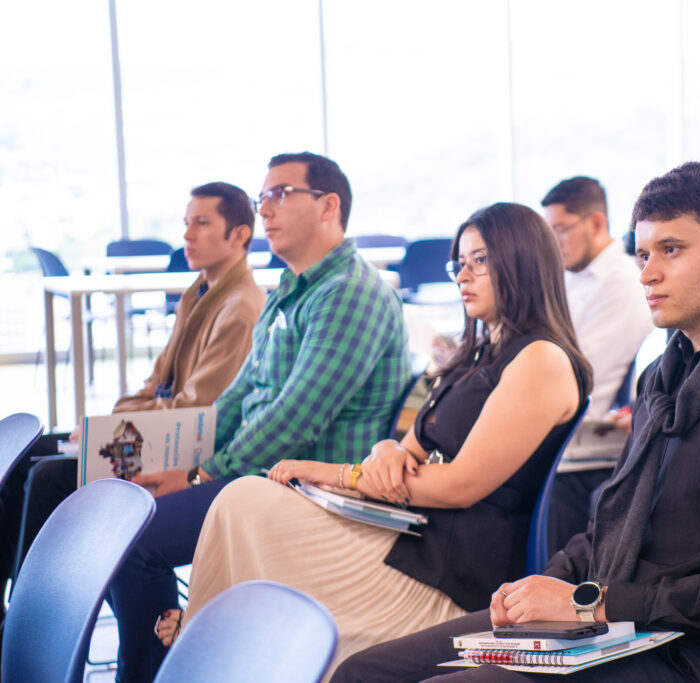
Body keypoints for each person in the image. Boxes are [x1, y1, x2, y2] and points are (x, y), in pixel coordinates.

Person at [334, 162, 700, 682]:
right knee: (364, 671)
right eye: (643, 254)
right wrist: (539, 589)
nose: (647, 273)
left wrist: (586, 603)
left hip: (686, 652)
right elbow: (608, 527)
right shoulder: (665, 377)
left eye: (672, 250)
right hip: (611, 622)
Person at [156, 202, 592, 676]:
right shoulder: (482, 351)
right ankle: (212, 636)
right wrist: (387, 450)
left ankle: (206, 637)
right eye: (459, 263)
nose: (463, 275)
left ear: (522, 260)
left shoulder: (541, 360)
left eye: (480, 260)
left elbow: (461, 485)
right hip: (408, 535)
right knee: (242, 500)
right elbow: (411, 445)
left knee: (243, 501)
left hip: (445, 573)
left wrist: (339, 473)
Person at [107, 152, 410, 682]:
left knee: (133, 545)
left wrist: (200, 475)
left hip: (311, 492)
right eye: (261, 197)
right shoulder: (291, 290)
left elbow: (295, 420)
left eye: (279, 194)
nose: (264, 209)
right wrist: (178, 461)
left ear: (329, 206)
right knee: (113, 504)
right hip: (261, 477)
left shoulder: (350, 293)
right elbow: (238, 398)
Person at [0, 181, 266, 612]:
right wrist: (112, 423)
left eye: (201, 223)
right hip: (153, 431)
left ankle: (30, 614)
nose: (187, 235)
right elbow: (155, 383)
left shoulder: (240, 307)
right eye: (186, 223)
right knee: (26, 457)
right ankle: (10, 609)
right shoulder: (198, 292)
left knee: (49, 475)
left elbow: (196, 411)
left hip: (175, 447)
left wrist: (114, 428)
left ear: (239, 234)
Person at [540, 176, 652, 553]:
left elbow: (576, 378)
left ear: (597, 223)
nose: (555, 242)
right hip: (570, 427)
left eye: (561, 229)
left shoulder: (620, 283)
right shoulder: (573, 276)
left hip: (591, 438)